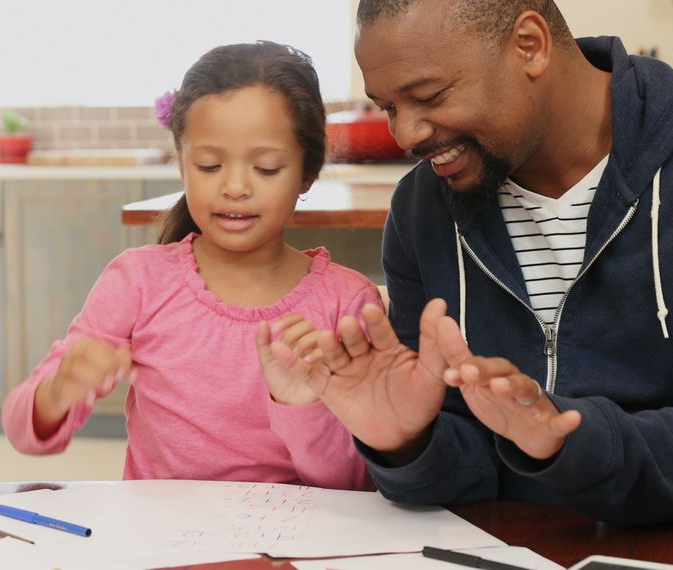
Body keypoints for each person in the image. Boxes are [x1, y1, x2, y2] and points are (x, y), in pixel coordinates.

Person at [268, 0, 673, 525]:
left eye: (428, 96)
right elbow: (469, 469)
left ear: (530, 45)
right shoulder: (422, 209)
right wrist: (406, 444)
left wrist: (569, 441)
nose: (407, 135)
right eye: (388, 107)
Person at [1, 41, 382, 489]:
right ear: (182, 164)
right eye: (209, 165)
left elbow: (353, 485)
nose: (235, 187)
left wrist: (301, 407)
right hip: (160, 543)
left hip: (289, 548)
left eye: (265, 168)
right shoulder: (138, 281)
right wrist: (57, 391)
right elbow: (22, 433)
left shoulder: (347, 304)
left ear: (307, 172)